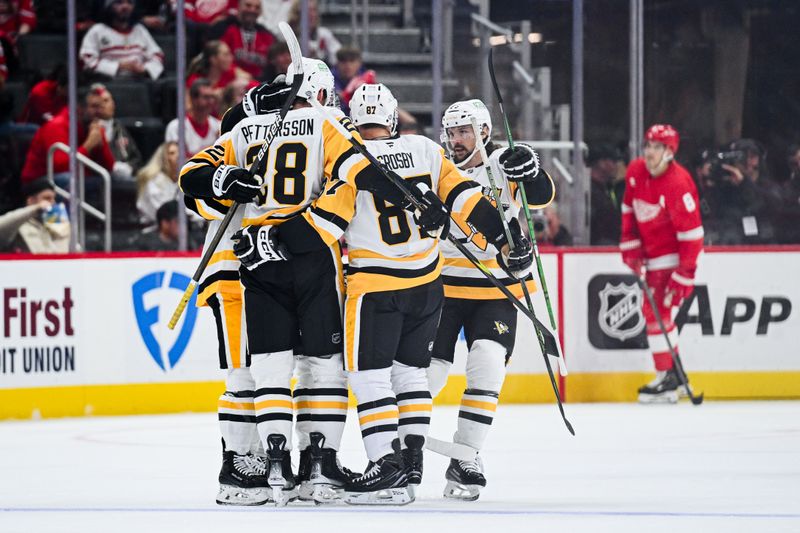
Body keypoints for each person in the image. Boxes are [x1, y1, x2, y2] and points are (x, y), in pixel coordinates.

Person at [263, 84, 535, 505]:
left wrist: (270, 237)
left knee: (369, 377)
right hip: (427, 286)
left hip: (376, 288)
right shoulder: (426, 149)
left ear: (354, 120)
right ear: (391, 119)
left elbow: (324, 226)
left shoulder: (350, 162)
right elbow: (467, 199)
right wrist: (505, 241)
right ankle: (410, 466)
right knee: (410, 375)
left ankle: (385, 468)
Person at [179, 59, 362, 505]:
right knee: (253, 371)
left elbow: (195, 189)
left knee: (278, 368)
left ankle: (284, 463)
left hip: (265, 265)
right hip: (239, 268)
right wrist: (226, 181)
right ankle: (242, 467)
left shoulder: (266, 129)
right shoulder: (295, 130)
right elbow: (197, 197)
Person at [427, 99, 555, 501]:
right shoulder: (435, 166)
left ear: (484, 131)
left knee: (486, 365)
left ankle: (466, 457)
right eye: (451, 133)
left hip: (497, 288)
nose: (456, 140)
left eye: (464, 131)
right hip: (444, 284)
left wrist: (531, 170)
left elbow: (542, 196)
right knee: (428, 374)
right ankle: (401, 452)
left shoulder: (503, 163)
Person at [620, 124, 703, 404]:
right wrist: (630, 245)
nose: (650, 152)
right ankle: (674, 376)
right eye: (648, 145)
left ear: (670, 152)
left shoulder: (678, 183)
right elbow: (628, 209)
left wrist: (684, 275)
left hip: (674, 256)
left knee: (656, 313)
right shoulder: (635, 171)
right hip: (651, 254)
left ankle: (668, 376)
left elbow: (693, 236)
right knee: (657, 313)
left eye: (657, 147)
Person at [21, 86, 116, 187]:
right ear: (79, 109)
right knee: (70, 179)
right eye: (94, 107)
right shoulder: (57, 126)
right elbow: (61, 167)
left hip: (77, 176)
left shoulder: (93, 125)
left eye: (101, 106)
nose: (100, 111)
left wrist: (101, 147)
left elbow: (109, 167)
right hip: (40, 181)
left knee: (114, 179)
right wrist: (88, 145)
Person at [79, 0, 164, 81]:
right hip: (108, 83)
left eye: (129, 2)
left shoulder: (139, 30)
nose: (125, 6)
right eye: (119, 2)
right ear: (109, 6)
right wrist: (119, 66)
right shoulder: (97, 30)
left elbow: (157, 55)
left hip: (139, 82)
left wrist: (144, 69)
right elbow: (86, 61)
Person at [85, 83, 143, 180]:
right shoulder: (87, 128)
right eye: (96, 104)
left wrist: (130, 168)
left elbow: (136, 158)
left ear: (113, 104)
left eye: (106, 101)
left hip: (126, 178)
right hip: (100, 178)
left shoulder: (119, 127)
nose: (102, 105)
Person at [0, 177, 69, 253]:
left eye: (53, 199)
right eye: (47, 198)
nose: (53, 202)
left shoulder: (54, 222)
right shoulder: (18, 224)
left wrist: (61, 229)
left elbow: (62, 254)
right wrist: (35, 208)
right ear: (31, 201)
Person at [186, 40, 252, 114]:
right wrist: (212, 95)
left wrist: (227, 90)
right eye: (226, 55)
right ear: (213, 59)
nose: (231, 58)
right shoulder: (194, 80)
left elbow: (248, 79)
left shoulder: (230, 72)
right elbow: (187, 107)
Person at [165, 78, 222, 160]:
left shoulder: (218, 126)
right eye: (206, 97)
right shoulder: (176, 127)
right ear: (193, 99)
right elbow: (175, 160)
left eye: (212, 97)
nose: (210, 102)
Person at [217, 0, 275, 80]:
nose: (252, 10)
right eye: (248, 5)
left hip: (259, 85)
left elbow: (272, 66)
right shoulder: (223, 27)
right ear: (238, 7)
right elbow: (214, 57)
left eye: (257, 7)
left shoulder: (267, 35)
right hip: (227, 81)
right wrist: (235, 72)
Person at [589, 143, 625, 245]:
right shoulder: (591, 192)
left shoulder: (606, 189)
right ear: (602, 163)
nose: (617, 166)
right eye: (614, 161)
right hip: (598, 249)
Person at [136, 141, 179, 224]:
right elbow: (164, 213)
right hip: (151, 229)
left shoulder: (182, 180)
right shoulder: (153, 181)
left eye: (180, 152)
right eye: (172, 153)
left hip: (177, 226)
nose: (178, 156)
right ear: (163, 158)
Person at [287, 0, 340, 66]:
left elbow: (337, 58)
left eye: (314, 10)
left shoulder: (323, 34)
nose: (312, 14)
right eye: (308, 10)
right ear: (297, 13)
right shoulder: (288, 34)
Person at [331, 46, 375, 115]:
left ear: (359, 63)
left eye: (352, 61)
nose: (348, 66)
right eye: (343, 61)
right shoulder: (329, 78)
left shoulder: (365, 76)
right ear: (337, 63)